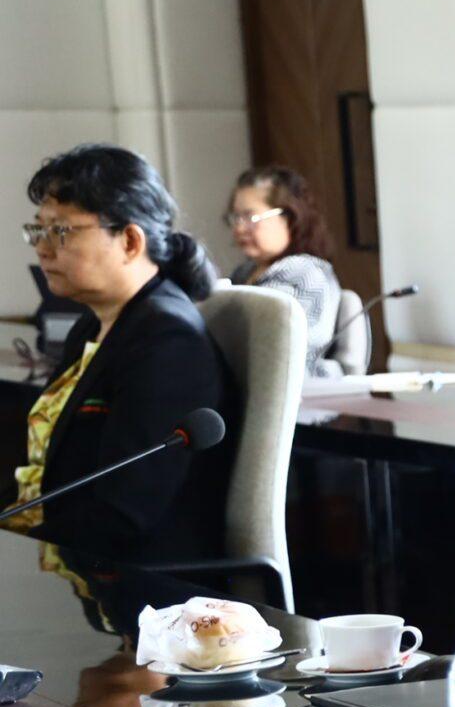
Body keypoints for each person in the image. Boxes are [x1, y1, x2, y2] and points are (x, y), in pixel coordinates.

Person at [7, 145, 234, 601]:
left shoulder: (168, 341)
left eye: (61, 230)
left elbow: (123, 513)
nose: (43, 248)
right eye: (39, 229)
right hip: (70, 567)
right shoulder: (93, 326)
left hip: (135, 593)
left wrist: (17, 555)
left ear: (130, 241)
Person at [225, 165, 344, 376]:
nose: (239, 228)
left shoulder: (304, 274)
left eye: (250, 218)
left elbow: (269, 348)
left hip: (288, 388)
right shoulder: (243, 272)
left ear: (289, 217)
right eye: (235, 218)